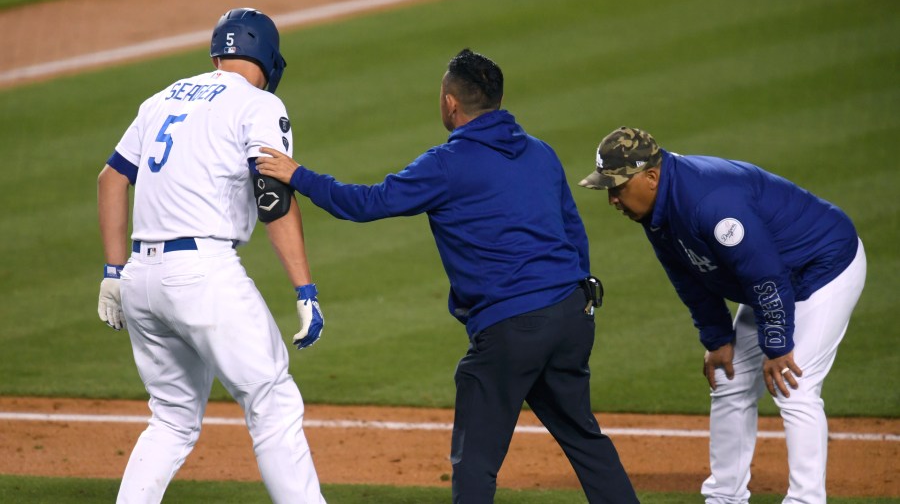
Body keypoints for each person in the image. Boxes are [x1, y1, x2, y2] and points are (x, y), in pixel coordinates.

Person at [255, 48, 638, 504]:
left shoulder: (447, 163)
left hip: (512, 328)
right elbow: (574, 236)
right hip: (571, 316)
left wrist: (297, 174)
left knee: (475, 460)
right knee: (585, 440)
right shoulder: (541, 152)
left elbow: (365, 204)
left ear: (451, 103)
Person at [96, 8, 326, 504]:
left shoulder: (161, 97)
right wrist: (304, 290)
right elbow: (273, 195)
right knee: (272, 399)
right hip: (201, 275)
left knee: (173, 418)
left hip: (140, 279)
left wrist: (113, 273)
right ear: (266, 56)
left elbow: (111, 178)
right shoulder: (257, 103)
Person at [578, 126, 866, 503]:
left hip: (823, 266)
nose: (613, 198)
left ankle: (806, 499)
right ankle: (725, 497)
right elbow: (689, 277)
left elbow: (764, 275)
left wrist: (777, 345)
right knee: (728, 379)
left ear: (650, 176)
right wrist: (717, 339)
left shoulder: (709, 203)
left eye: (617, 187)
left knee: (794, 384)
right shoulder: (657, 208)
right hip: (773, 278)